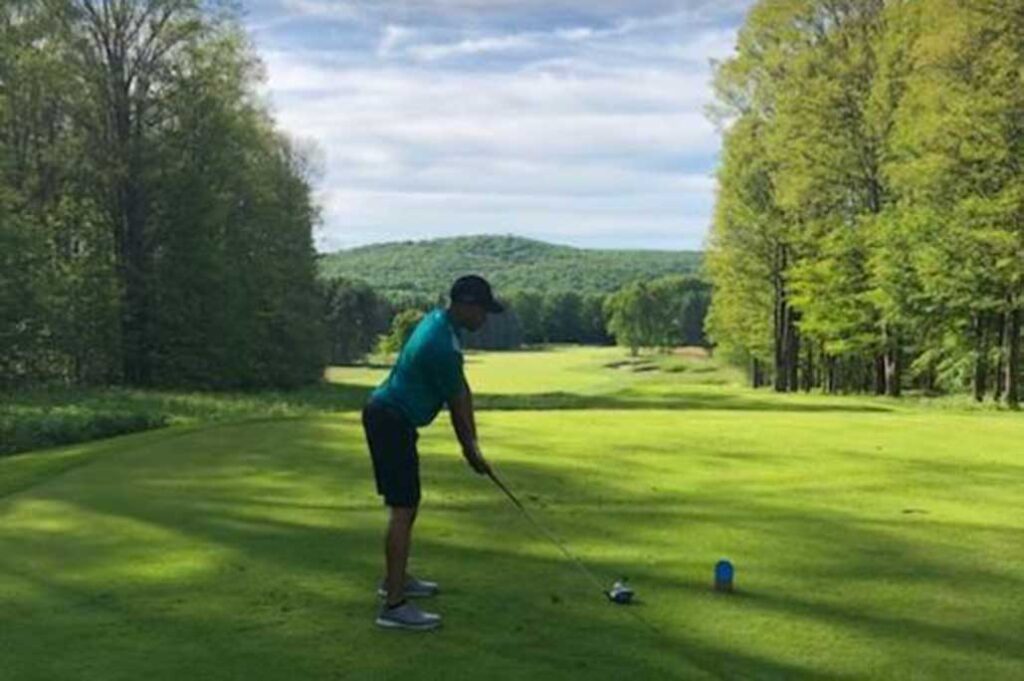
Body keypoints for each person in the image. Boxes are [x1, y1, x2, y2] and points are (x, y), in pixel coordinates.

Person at [362, 274, 503, 631]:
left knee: (407, 505)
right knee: (403, 508)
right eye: (483, 310)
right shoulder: (442, 343)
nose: (485, 318)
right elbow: (456, 407)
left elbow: (461, 391)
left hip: (391, 417)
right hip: (390, 420)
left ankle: (397, 579)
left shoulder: (441, 324)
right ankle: (393, 605)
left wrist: (474, 444)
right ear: (467, 305)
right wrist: (471, 452)